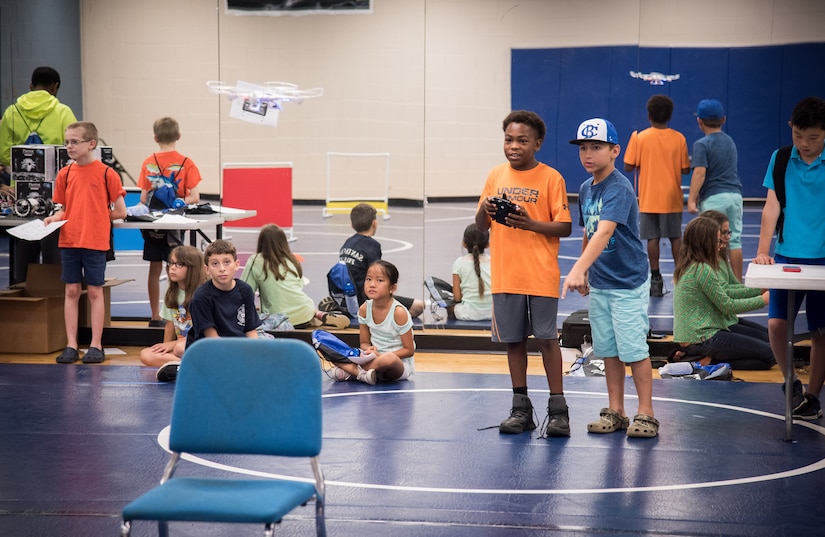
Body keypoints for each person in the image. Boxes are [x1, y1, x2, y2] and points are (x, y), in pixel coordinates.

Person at [475, 110, 573, 437]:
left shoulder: (551, 178)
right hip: (506, 274)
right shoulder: (495, 175)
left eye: (522, 140)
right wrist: (485, 211)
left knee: (547, 340)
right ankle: (521, 410)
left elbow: (565, 225)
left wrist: (531, 223)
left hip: (541, 273)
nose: (514, 146)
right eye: (509, 139)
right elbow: (479, 226)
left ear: (538, 144)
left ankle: (558, 411)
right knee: (513, 343)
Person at [562, 117, 658, 438]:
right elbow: (589, 233)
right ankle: (616, 409)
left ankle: (646, 412)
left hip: (628, 282)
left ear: (615, 150)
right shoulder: (587, 188)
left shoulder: (619, 186)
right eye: (584, 148)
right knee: (609, 349)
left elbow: (605, 233)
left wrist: (576, 268)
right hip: (602, 283)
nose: (588, 154)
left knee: (634, 349)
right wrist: (588, 270)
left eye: (597, 147)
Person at [754, 96, 825, 421]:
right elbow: (772, 206)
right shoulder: (781, 158)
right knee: (776, 324)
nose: (805, 144)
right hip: (786, 255)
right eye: (799, 136)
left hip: (822, 258)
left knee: (821, 332)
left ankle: (812, 395)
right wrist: (763, 251)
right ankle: (790, 380)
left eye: (813, 137)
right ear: (790, 129)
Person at [43, 122, 127, 364]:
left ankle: (96, 345)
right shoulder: (65, 174)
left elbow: (120, 211)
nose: (69, 146)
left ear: (91, 144)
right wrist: (54, 218)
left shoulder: (106, 174)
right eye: (67, 141)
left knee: (94, 291)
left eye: (74, 142)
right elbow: (64, 209)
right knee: (70, 291)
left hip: (95, 241)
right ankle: (71, 345)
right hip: (69, 240)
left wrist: (96, 215)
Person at [0, 66, 78, 284]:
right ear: (56, 87)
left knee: (24, 247)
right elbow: (70, 151)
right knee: (54, 248)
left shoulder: (11, 113)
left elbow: (4, 154)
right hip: (56, 192)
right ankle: (54, 297)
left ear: (31, 86)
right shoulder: (63, 112)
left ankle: (22, 297)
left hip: (21, 193)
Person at [672, 217, 774, 370]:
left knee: (765, 358)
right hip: (704, 338)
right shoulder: (702, 269)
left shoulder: (690, 265)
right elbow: (727, 306)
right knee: (771, 355)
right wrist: (763, 300)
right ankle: (704, 361)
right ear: (705, 243)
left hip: (698, 337)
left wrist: (758, 290)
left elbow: (727, 290)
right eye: (717, 241)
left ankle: (705, 359)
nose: (720, 246)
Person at [137, 117, 202, 327]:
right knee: (176, 268)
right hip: (174, 224)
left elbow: (143, 199)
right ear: (179, 136)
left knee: (154, 269)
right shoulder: (187, 162)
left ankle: (155, 316)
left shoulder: (148, 162)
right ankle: (177, 315)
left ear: (155, 138)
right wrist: (180, 200)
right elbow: (195, 197)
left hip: (153, 224)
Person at [623, 95, 690, 297]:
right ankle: (681, 279)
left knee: (652, 238)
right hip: (672, 197)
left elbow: (627, 165)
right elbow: (685, 169)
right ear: (669, 115)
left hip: (649, 197)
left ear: (649, 115)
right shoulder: (679, 138)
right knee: (675, 237)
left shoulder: (639, 137)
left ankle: (655, 278)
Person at [241, 224, 350, 329]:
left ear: (261, 242)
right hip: (305, 308)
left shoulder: (255, 260)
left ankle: (315, 316)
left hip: (280, 318)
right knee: (297, 308)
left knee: (252, 318)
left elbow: (244, 290)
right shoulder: (292, 260)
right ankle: (315, 315)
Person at [329, 260, 415, 385]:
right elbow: (364, 343)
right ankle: (364, 373)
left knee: (388, 359)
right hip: (373, 360)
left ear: (392, 288)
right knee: (334, 352)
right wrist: (368, 349)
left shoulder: (399, 312)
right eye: (368, 279)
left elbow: (409, 350)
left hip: (398, 365)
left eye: (379, 280)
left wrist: (380, 356)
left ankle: (354, 372)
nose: (372, 284)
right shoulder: (364, 309)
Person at [333, 202, 424, 317]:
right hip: (364, 298)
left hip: (346, 298)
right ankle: (381, 319)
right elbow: (377, 277)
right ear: (374, 223)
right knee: (419, 306)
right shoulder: (372, 245)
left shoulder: (347, 243)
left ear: (352, 224)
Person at [687, 99, 745, 281]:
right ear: (724, 120)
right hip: (735, 196)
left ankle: (716, 281)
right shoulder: (730, 142)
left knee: (711, 241)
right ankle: (736, 283)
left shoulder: (702, 144)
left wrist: (691, 199)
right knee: (734, 241)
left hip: (714, 198)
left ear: (699, 121)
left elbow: (699, 173)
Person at [700, 209, 770, 343]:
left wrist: (760, 288)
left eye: (728, 232)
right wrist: (761, 295)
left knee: (770, 338)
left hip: (727, 319)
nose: (728, 237)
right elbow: (726, 295)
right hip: (717, 324)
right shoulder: (704, 266)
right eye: (724, 233)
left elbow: (734, 285)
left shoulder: (720, 257)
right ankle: (706, 356)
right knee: (768, 349)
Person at [139, 245, 206, 382]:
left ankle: (195, 364)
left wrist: (172, 345)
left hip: (199, 344)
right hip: (178, 348)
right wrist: (165, 347)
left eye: (179, 264)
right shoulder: (171, 291)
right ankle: (184, 365)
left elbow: (203, 332)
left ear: (193, 268)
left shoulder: (203, 294)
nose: (172, 267)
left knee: (180, 348)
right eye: (171, 263)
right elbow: (170, 324)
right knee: (145, 355)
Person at [187, 239, 261, 344]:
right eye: (215, 264)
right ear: (207, 269)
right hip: (212, 350)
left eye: (227, 262)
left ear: (237, 264)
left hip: (240, 346)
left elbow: (250, 331)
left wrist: (255, 351)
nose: (222, 269)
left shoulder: (245, 290)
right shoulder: (201, 297)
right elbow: (213, 339)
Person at [448, 223, 492, 321]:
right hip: (493, 314)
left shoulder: (458, 263)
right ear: (487, 244)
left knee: (449, 306)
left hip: (467, 314)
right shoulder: (495, 262)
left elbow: (457, 297)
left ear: (464, 243)